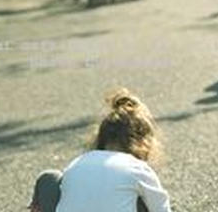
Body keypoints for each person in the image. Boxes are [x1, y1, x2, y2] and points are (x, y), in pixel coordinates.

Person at [28, 88, 172, 212]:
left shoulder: (78, 163)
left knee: (49, 178)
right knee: (142, 199)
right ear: (142, 142)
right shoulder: (138, 168)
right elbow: (161, 209)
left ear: (100, 138)